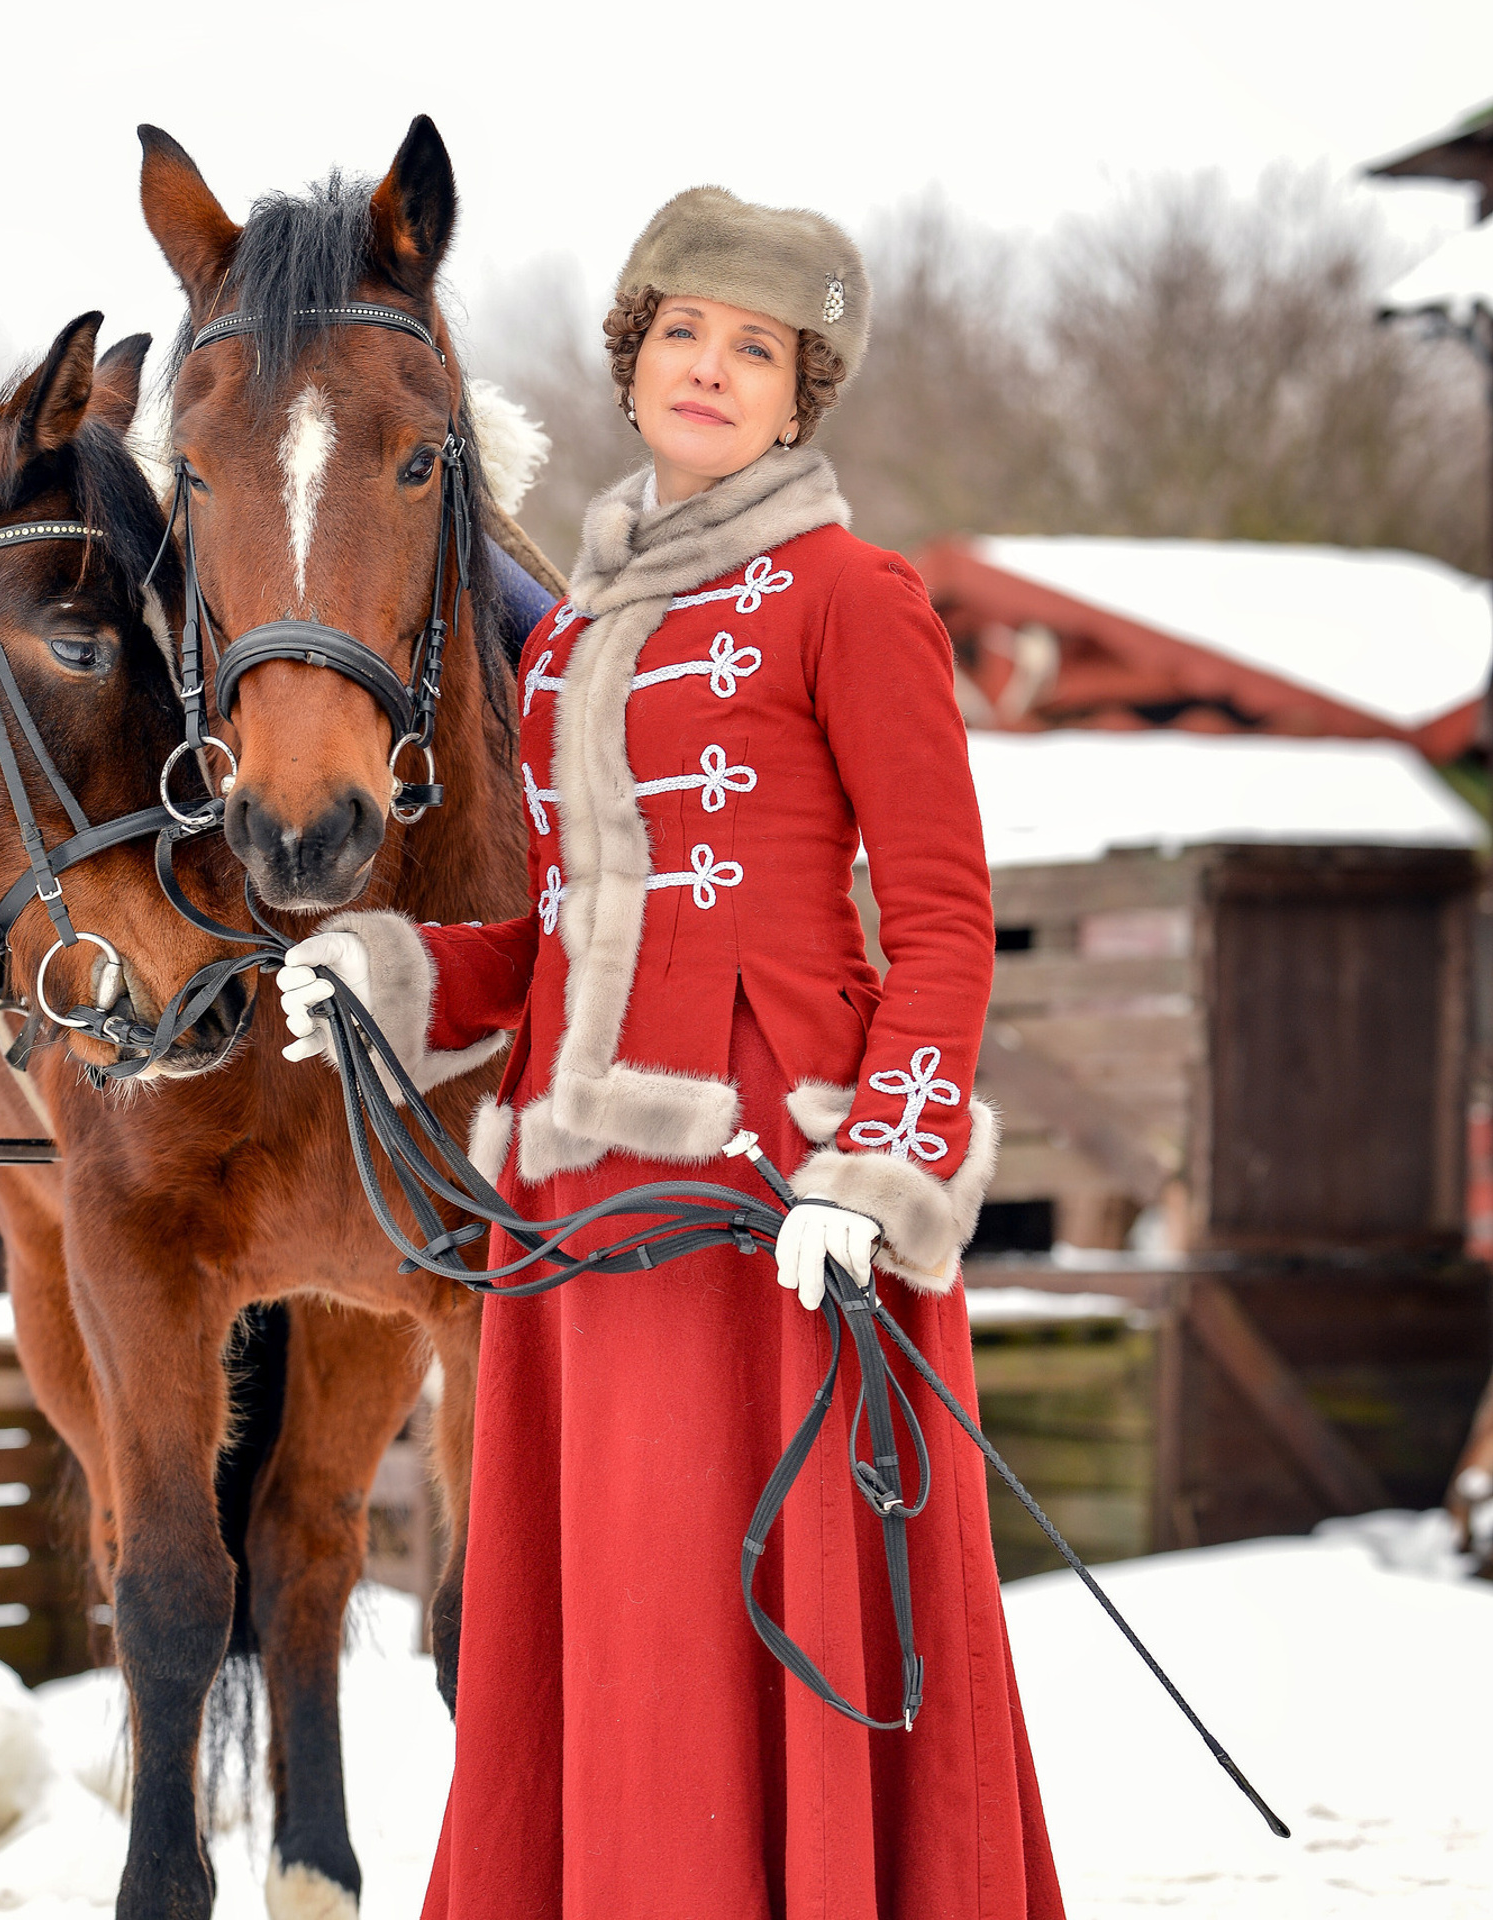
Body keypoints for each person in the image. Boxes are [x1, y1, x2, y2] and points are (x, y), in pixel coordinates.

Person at [276, 186, 1064, 1920]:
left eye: (758, 350)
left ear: (803, 394)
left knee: (767, 1596)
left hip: (783, 1207)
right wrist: (389, 971)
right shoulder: (561, 637)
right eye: (683, 336)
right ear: (632, 367)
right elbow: (556, 939)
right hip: (582, 1209)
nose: (712, 370)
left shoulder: (855, 597)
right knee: (614, 1618)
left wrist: (882, 1171)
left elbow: (939, 922)